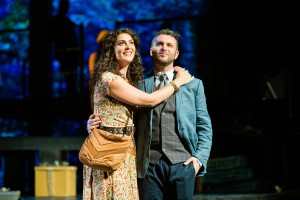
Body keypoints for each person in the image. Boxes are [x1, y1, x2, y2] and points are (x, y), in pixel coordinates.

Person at [88, 28, 213, 200]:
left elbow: (204, 126)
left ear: (176, 54)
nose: (164, 48)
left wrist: (198, 160)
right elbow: (116, 111)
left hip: (182, 165)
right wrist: (94, 124)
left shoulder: (193, 85)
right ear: (151, 50)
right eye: (159, 44)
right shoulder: (137, 84)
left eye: (169, 45)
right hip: (148, 167)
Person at [48, 0, 80, 96]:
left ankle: (71, 92)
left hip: (68, 52)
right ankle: (71, 92)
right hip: (66, 53)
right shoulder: (64, 22)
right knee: (69, 74)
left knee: (70, 74)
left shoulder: (63, 22)